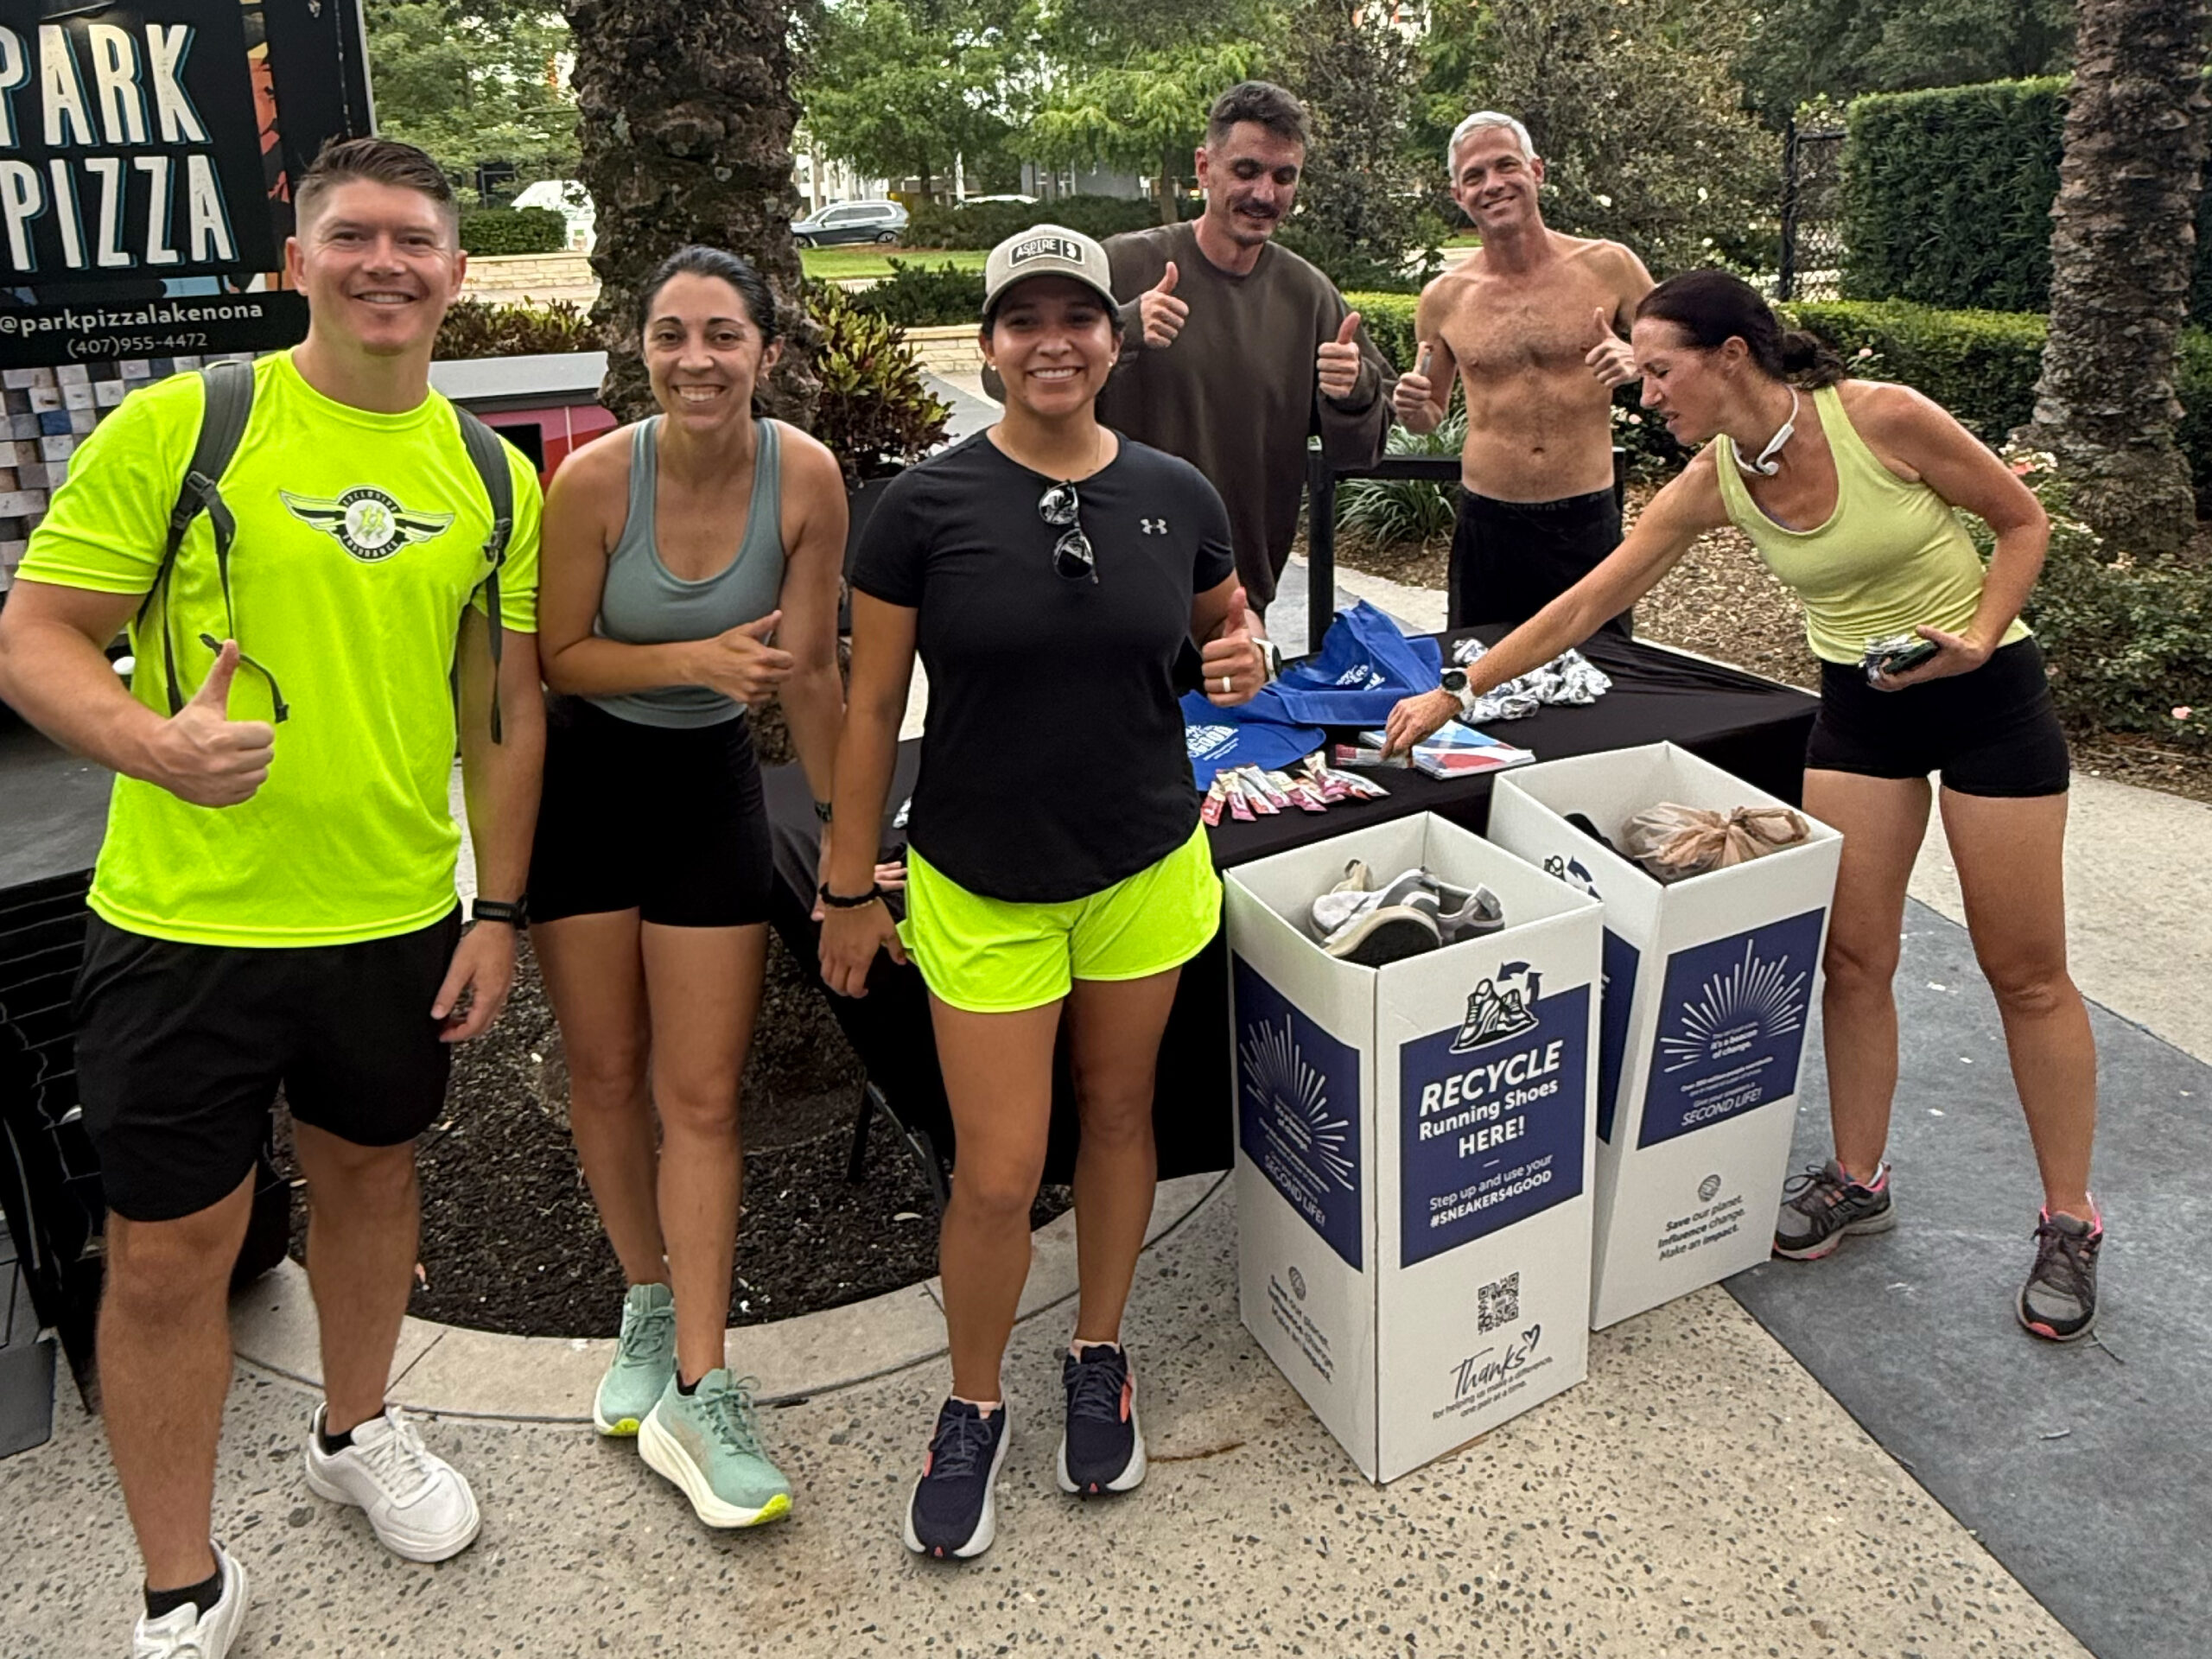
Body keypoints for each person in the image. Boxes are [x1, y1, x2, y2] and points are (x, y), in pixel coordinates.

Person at [0, 138, 545, 1657]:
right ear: (293, 260)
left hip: (388, 924)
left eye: (416, 240)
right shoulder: (192, 423)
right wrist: (146, 743)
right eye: (352, 236)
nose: (387, 262)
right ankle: (182, 1583)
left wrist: (496, 912)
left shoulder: (495, 475)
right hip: (184, 930)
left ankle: (355, 1431)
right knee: (170, 1250)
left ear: (455, 271)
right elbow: (34, 633)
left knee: (372, 1182)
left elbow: (503, 708)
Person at [1383, 270, 2102, 1342]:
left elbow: (2020, 521)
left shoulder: (1882, 420)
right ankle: (1858, 1180)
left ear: (1730, 359)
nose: (1644, 393)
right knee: (1852, 960)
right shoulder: (1715, 480)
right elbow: (1589, 600)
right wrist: (1460, 687)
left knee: (2025, 972)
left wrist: (1983, 633)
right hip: (1861, 711)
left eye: (1659, 370)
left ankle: (2069, 1220)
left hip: (1988, 701)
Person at [818, 226, 1264, 1560]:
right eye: (1026, 320)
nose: (1053, 341)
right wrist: (848, 885)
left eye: (1080, 317)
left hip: (1140, 861)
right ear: (991, 345)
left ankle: (1099, 1349)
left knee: (1122, 1115)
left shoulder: (1177, 493)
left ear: (1115, 344)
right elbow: (869, 708)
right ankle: (972, 1402)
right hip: (983, 877)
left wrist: (1236, 660)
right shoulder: (924, 508)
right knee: (1002, 1171)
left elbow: (1223, 632)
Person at [526, 247, 853, 1529]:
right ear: (641, 349)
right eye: (672, 335)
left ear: (765, 349)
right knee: (604, 1073)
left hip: (712, 790)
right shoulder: (600, 479)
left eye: (723, 334)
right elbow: (559, 656)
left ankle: (706, 1388)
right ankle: (647, 1306)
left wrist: (843, 843)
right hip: (590, 793)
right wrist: (692, 653)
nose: (696, 358)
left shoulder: (807, 478)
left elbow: (816, 674)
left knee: (702, 1095)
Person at [1090, 79, 1396, 622]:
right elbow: (1013, 383)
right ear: (1205, 167)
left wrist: (1354, 393)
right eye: (1247, 170)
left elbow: (1358, 453)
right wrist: (1118, 332)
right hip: (1106, 590)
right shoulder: (1120, 266)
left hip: (1236, 599)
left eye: (1284, 177)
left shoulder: (1310, 296)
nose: (1265, 194)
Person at [1389, 112, 1656, 635]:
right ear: (1457, 195)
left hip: (1585, 519)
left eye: (1505, 165)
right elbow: (1427, 415)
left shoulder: (1609, 267)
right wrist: (1413, 409)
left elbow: (1681, 365)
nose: (1492, 184)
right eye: (1474, 176)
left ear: (1536, 170)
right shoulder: (1445, 298)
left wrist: (1637, 362)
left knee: (1606, 682)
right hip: (1490, 525)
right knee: (1481, 684)